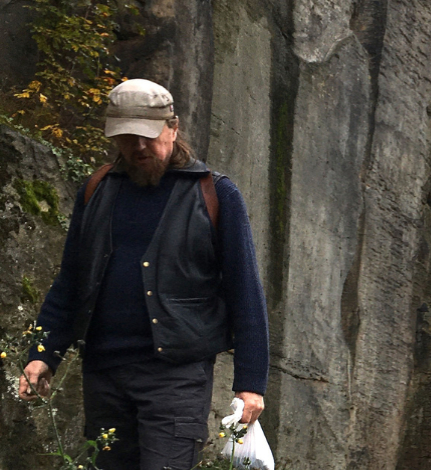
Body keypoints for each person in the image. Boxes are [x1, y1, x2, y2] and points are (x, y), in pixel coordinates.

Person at [18, 79, 270, 470]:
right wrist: (42, 353)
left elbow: (246, 292)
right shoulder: (97, 189)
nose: (138, 147)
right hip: (104, 373)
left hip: (176, 378)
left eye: (148, 136)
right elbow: (71, 279)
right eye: (127, 137)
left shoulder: (214, 194)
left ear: (173, 127)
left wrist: (251, 383)